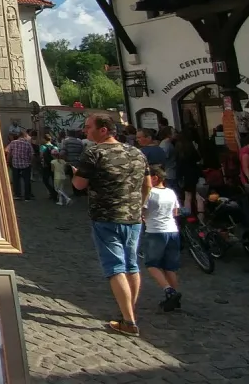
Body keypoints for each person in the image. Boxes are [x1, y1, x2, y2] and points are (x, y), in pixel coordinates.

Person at [73, 113, 150, 337]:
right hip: (133, 218)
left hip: (106, 218)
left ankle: (128, 320)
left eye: (88, 127)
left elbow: (79, 185)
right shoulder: (136, 152)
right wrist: (141, 207)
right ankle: (129, 310)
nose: (86, 131)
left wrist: (75, 174)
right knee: (132, 264)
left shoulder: (94, 153)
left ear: (103, 129)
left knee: (115, 267)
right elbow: (147, 185)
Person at [142, 165, 182, 312]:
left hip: (155, 231)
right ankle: (174, 296)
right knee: (169, 267)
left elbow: (142, 210)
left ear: (154, 178)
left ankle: (169, 290)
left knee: (152, 264)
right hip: (172, 230)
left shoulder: (150, 193)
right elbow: (176, 212)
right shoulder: (171, 192)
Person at [174, 130, 202, 218]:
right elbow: (198, 158)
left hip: (184, 175)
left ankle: (188, 217)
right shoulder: (191, 146)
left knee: (187, 197)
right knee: (198, 195)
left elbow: (177, 164)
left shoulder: (178, 148)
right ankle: (201, 217)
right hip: (194, 172)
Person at [5, 131, 35, 200]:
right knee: (26, 180)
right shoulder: (27, 144)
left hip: (15, 164)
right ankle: (27, 195)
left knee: (16, 180)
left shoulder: (13, 142)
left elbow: (8, 152)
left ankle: (17, 194)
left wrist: (8, 161)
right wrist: (30, 162)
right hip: (26, 164)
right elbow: (32, 155)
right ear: (24, 136)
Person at [39, 133, 57, 199]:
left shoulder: (43, 147)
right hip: (54, 165)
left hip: (45, 165)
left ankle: (52, 192)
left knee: (45, 180)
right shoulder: (54, 146)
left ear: (44, 139)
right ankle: (55, 192)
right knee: (54, 180)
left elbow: (41, 156)